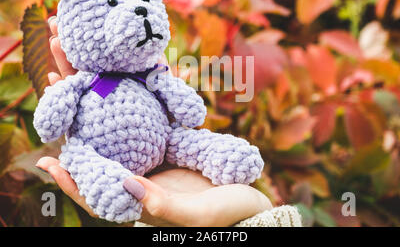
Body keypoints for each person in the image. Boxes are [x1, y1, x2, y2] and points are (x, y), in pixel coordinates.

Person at [36, 17, 302, 227]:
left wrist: (251, 205)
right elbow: (50, 120)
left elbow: (188, 109)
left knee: (181, 137)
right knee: (78, 155)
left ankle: (228, 159)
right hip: (95, 150)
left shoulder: (148, 74)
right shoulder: (83, 82)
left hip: (164, 141)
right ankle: (108, 184)